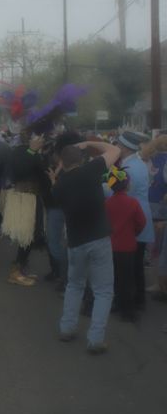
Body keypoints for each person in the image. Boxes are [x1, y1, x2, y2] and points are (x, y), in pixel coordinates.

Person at [54, 141, 121, 354]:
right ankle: (95, 339)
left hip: (76, 242)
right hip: (99, 238)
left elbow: (55, 186)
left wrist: (58, 170)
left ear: (62, 162)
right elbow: (115, 151)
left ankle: (67, 328)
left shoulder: (59, 186)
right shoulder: (91, 170)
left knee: (74, 285)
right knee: (103, 290)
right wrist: (90, 143)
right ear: (81, 160)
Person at [1, 133, 48, 286]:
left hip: (33, 198)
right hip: (24, 199)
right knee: (25, 236)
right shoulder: (20, 152)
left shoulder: (34, 151)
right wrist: (32, 152)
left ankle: (21, 268)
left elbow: (41, 171)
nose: (41, 140)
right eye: (38, 137)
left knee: (31, 235)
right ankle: (15, 273)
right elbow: (20, 170)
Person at [116, 131, 154, 309]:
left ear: (123, 148)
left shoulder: (128, 168)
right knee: (137, 262)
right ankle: (139, 299)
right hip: (141, 215)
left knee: (130, 264)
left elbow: (113, 189)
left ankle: (130, 302)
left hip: (133, 219)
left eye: (118, 145)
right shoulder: (137, 164)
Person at [105, 166, 146, 322]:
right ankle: (127, 310)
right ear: (127, 185)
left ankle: (115, 303)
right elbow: (141, 222)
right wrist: (133, 233)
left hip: (110, 246)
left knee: (113, 277)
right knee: (127, 279)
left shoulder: (107, 203)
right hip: (127, 246)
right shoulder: (133, 202)